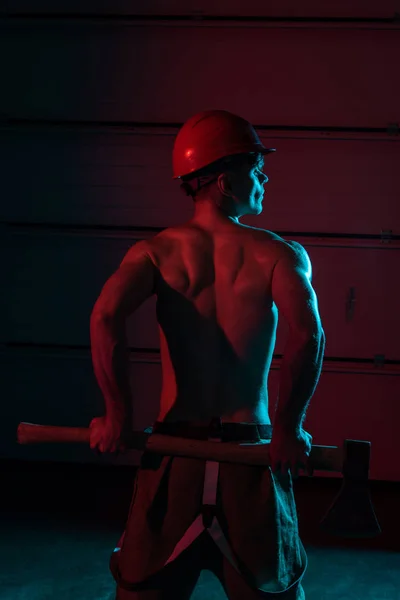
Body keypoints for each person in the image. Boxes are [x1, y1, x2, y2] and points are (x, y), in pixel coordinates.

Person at [89, 109, 326, 599]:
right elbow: (307, 335)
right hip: (250, 457)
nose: (263, 177)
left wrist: (116, 415)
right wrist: (287, 428)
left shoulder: (155, 253)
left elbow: (105, 317)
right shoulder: (279, 254)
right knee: (271, 591)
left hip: (176, 453)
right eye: (254, 167)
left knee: (143, 590)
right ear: (224, 181)